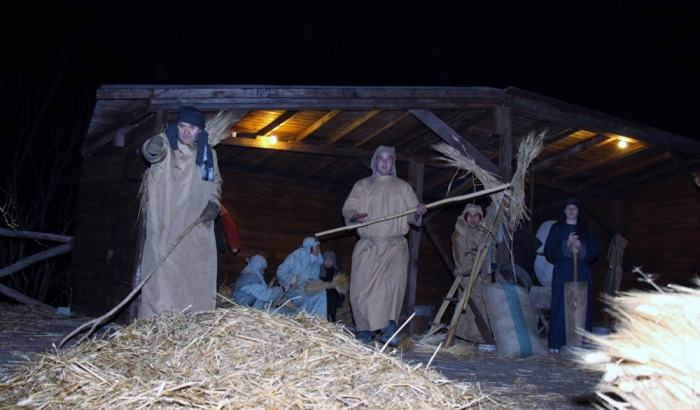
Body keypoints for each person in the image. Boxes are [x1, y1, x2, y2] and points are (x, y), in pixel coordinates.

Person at [139, 105, 222, 318]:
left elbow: (215, 183)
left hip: (195, 228)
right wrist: (152, 147)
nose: (185, 131)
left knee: (195, 274)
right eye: (182, 126)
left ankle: (193, 321)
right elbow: (152, 153)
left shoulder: (208, 154)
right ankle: (158, 321)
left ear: (200, 131)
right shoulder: (167, 143)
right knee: (162, 274)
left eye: (191, 127)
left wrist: (214, 203)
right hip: (166, 225)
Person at [342, 146, 427, 346]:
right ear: (374, 161)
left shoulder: (403, 187)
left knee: (393, 284)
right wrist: (354, 216)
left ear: (393, 163)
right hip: (368, 247)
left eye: (389, 159)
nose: (385, 163)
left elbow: (412, 213)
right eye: (381, 159)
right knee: (360, 291)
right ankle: (364, 330)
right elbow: (349, 207)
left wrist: (417, 212)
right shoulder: (362, 186)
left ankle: (389, 328)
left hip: (394, 246)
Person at [544, 197, 600, 352]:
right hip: (563, 271)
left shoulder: (586, 229)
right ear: (564, 211)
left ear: (578, 211)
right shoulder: (557, 228)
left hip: (581, 271)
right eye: (568, 208)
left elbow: (595, 250)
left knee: (582, 305)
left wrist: (581, 247)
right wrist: (566, 245)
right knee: (561, 305)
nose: (571, 211)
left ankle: (581, 344)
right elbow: (549, 251)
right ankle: (557, 344)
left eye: (574, 208)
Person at [451, 203, 495, 343]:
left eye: (476, 216)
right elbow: (462, 256)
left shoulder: (485, 234)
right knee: (468, 308)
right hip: (468, 278)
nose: (473, 219)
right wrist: (476, 270)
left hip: (483, 279)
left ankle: (482, 337)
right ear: (465, 217)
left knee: (484, 307)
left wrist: (489, 270)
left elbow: (492, 253)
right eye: (470, 215)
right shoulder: (460, 234)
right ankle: (466, 338)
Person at [276, 237, 327, 319]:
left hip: (306, 288)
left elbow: (314, 279)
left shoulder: (316, 261)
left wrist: (324, 285)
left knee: (322, 293)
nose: (319, 250)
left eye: (318, 247)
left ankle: (317, 321)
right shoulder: (294, 258)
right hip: (292, 290)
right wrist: (290, 282)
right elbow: (281, 271)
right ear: (310, 248)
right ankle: (302, 320)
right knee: (302, 295)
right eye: (316, 247)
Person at [232, 255, 298, 312]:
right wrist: (283, 288)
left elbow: (260, 296)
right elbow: (266, 295)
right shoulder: (251, 278)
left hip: (246, 307)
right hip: (244, 309)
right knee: (282, 312)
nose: (263, 273)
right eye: (262, 269)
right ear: (258, 268)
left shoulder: (247, 275)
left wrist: (272, 301)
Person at [215, 204, 240, 289]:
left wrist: (234, 244)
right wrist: (234, 245)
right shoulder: (217, 204)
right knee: (215, 271)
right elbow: (228, 224)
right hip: (212, 247)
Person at [319, 251, 344, 322]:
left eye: (330, 260)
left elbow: (341, 288)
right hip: (322, 297)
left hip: (332, 298)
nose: (328, 262)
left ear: (333, 261)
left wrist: (340, 298)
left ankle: (331, 322)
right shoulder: (320, 272)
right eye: (326, 260)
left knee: (331, 312)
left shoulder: (336, 273)